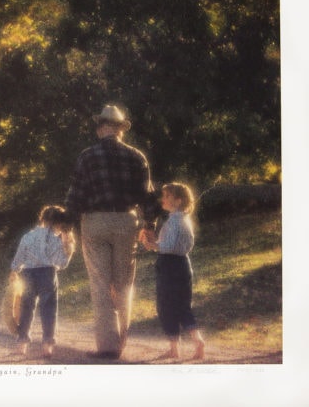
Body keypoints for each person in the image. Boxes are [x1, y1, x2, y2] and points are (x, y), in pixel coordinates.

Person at [64, 104, 159, 359]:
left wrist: (67, 227)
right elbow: (148, 197)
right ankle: (121, 344)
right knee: (124, 283)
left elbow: (76, 195)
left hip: (95, 222)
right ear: (120, 130)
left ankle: (107, 346)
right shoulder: (137, 156)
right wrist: (149, 227)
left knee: (100, 284)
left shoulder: (87, 156)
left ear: (102, 128)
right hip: (127, 222)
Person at [140, 182, 205, 360]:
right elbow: (174, 245)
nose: (163, 199)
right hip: (183, 265)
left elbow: (167, 247)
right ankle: (196, 339)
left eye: (167, 196)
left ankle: (175, 347)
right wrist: (153, 243)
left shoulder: (175, 221)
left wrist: (152, 244)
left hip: (170, 266)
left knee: (166, 305)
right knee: (183, 305)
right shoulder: (183, 220)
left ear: (178, 200)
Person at [10, 205, 76, 357]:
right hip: (47, 273)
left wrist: (14, 269)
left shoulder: (28, 236)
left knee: (26, 309)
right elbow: (62, 264)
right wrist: (68, 248)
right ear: (59, 223)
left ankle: (22, 345)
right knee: (49, 310)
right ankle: (47, 345)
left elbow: (19, 256)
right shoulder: (57, 240)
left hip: (27, 273)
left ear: (43, 219)